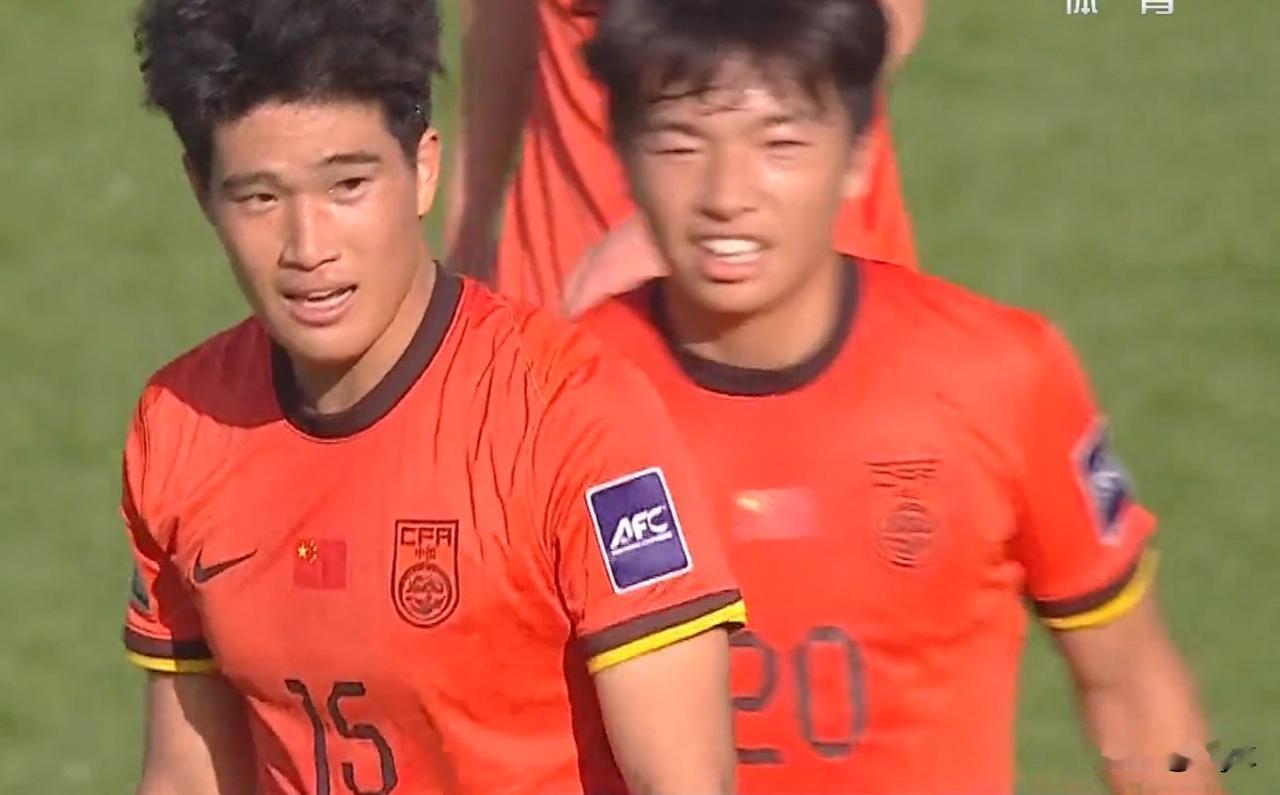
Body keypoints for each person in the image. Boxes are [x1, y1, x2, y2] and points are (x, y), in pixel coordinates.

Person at [573, 0, 1221, 792]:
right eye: (681, 143)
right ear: (623, 151)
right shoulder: (555, 400)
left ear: (858, 155)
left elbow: (1131, 688)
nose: (726, 193)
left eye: (780, 143)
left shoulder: (1001, 377)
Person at [121, 1, 745, 792]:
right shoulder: (179, 426)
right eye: (260, 198)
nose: (309, 246)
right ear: (202, 192)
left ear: (423, 168)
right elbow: (187, 778)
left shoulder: (577, 417)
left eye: (348, 185)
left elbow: (685, 780)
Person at [443, 0, 924, 314]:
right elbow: (508, 21)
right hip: (557, 276)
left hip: (784, 277)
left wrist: (670, 224)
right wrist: (471, 221)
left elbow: (883, 18)